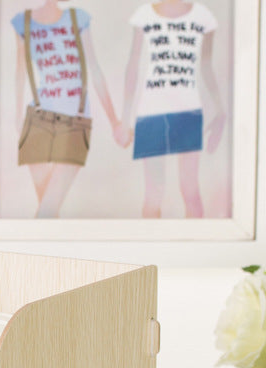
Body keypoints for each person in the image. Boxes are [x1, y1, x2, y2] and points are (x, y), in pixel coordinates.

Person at [12, 0, 128, 218]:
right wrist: (18, 116)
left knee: (47, 210)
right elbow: (20, 72)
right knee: (47, 210)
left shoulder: (77, 18)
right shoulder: (23, 22)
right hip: (37, 121)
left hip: (75, 122)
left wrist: (114, 121)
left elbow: (94, 69)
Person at [119, 0, 225, 218]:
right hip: (151, 113)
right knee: (154, 194)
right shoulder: (144, 14)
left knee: (190, 190)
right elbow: (133, 65)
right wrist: (124, 119)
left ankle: (195, 239)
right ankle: (151, 240)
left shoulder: (203, 17)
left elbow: (206, 66)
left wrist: (220, 111)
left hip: (188, 111)